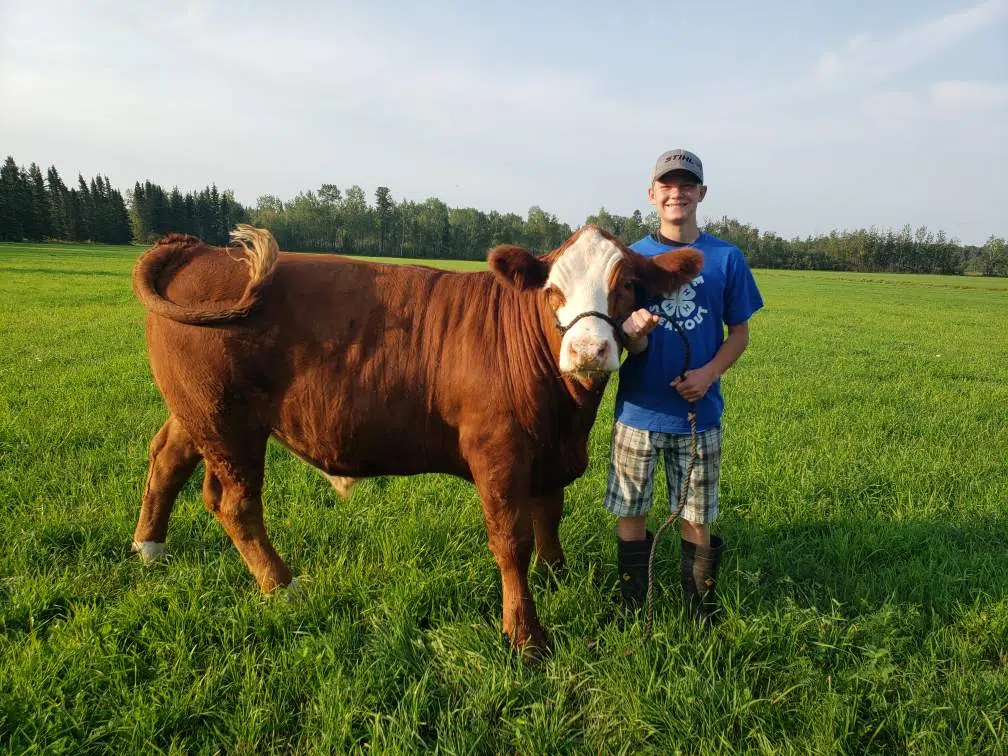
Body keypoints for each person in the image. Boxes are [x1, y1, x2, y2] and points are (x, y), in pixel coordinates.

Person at [605, 148, 763, 627]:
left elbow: (739, 334)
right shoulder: (629, 259)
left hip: (699, 416)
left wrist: (709, 373)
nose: (677, 193)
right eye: (667, 185)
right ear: (652, 194)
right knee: (631, 511)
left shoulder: (726, 259)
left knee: (697, 514)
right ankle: (633, 605)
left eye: (687, 184)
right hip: (639, 411)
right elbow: (617, 337)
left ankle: (699, 608)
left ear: (701, 193)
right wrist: (634, 335)